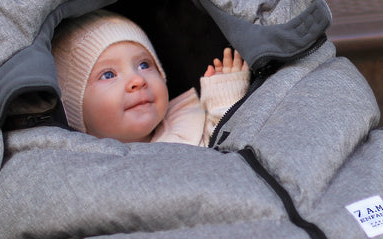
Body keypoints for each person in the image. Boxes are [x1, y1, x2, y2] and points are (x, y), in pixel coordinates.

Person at [52, 9, 250, 146]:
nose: (138, 80)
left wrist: (225, 98)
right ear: (73, 110)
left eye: (144, 65)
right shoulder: (78, 167)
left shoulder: (186, 126)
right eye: (108, 75)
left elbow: (227, 149)